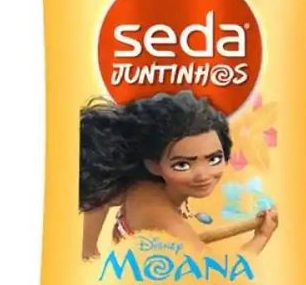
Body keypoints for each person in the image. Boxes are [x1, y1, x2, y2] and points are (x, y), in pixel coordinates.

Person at [79, 90, 278, 260]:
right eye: (182, 164)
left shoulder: (138, 183)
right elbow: (218, 274)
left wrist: (89, 250)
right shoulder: (162, 215)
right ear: (154, 165)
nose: (203, 175)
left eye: (214, 159)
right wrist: (261, 237)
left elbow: (98, 200)